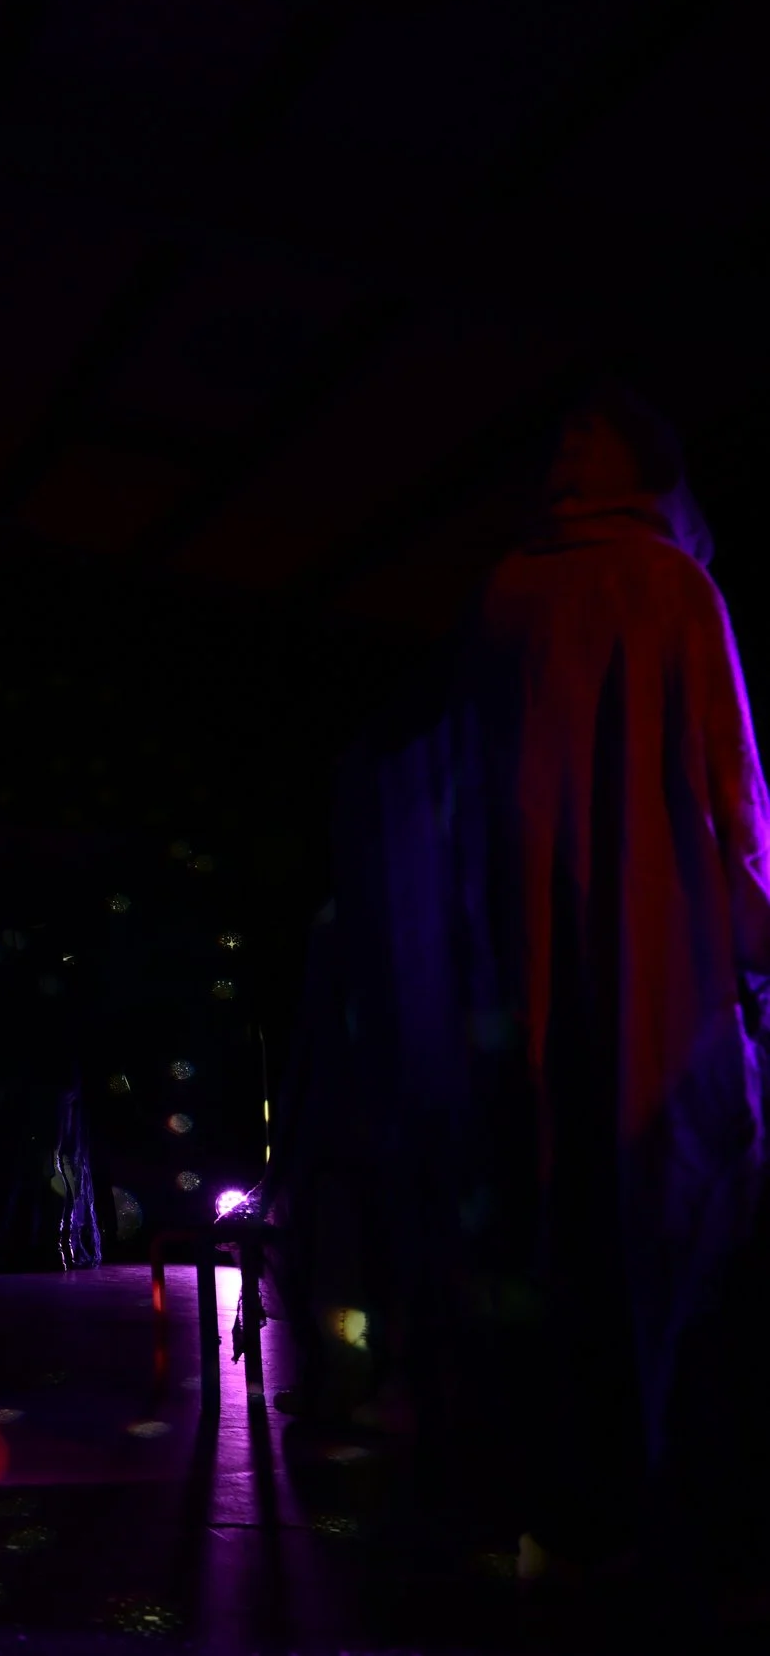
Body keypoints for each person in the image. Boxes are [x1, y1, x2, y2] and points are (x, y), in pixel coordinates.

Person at [280, 391, 768, 1570]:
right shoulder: (669, 587)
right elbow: (730, 787)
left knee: (545, 1196)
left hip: (521, 958)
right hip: (664, 960)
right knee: (671, 1192)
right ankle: (661, 1483)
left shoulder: (504, 590)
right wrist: (751, 929)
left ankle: (551, 1473)